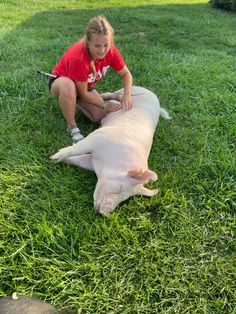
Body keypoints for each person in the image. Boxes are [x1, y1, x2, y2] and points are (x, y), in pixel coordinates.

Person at [49, 15, 133, 142]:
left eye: (106, 45)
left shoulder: (111, 52)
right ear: (88, 42)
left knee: (99, 117)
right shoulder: (78, 57)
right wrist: (105, 105)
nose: (102, 50)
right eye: (97, 45)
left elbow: (126, 75)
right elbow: (82, 93)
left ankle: (88, 99)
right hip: (62, 83)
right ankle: (72, 126)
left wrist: (127, 94)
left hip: (84, 86)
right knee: (69, 87)